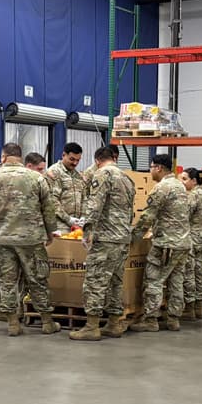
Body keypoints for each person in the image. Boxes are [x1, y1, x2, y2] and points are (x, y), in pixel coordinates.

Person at [0, 143, 58, 336]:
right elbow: (48, 209)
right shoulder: (37, 178)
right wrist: (50, 233)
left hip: (3, 239)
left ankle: (13, 323)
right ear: (21, 157)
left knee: (6, 281)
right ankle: (47, 322)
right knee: (37, 279)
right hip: (31, 239)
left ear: (3, 156)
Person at [70, 146, 137, 341]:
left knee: (95, 282)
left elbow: (94, 206)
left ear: (97, 160)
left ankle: (91, 326)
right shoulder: (127, 178)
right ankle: (114, 323)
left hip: (105, 238)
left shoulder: (102, 174)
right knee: (116, 283)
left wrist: (86, 232)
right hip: (122, 238)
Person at [129, 153, 191, 333]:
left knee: (154, 279)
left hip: (166, 243)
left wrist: (135, 236)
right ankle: (173, 319)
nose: (150, 171)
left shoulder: (162, 187)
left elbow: (148, 215)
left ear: (159, 168)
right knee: (176, 281)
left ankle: (150, 319)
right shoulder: (180, 185)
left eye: (151, 167)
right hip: (183, 242)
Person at [179, 167, 202, 321]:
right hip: (201, 236)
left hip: (192, 237)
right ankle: (199, 305)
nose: (181, 182)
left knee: (189, 272)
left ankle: (189, 307)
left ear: (194, 181)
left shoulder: (193, 195)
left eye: (184, 179)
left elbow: (184, 214)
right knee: (198, 271)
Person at [46, 143, 86, 234]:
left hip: (77, 226)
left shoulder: (78, 176)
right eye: (72, 159)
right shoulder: (54, 172)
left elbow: (84, 198)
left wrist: (83, 216)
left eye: (78, 160)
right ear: (64, 155)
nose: (75, 163)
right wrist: (68, 219)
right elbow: (52, 200)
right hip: (60, 225)